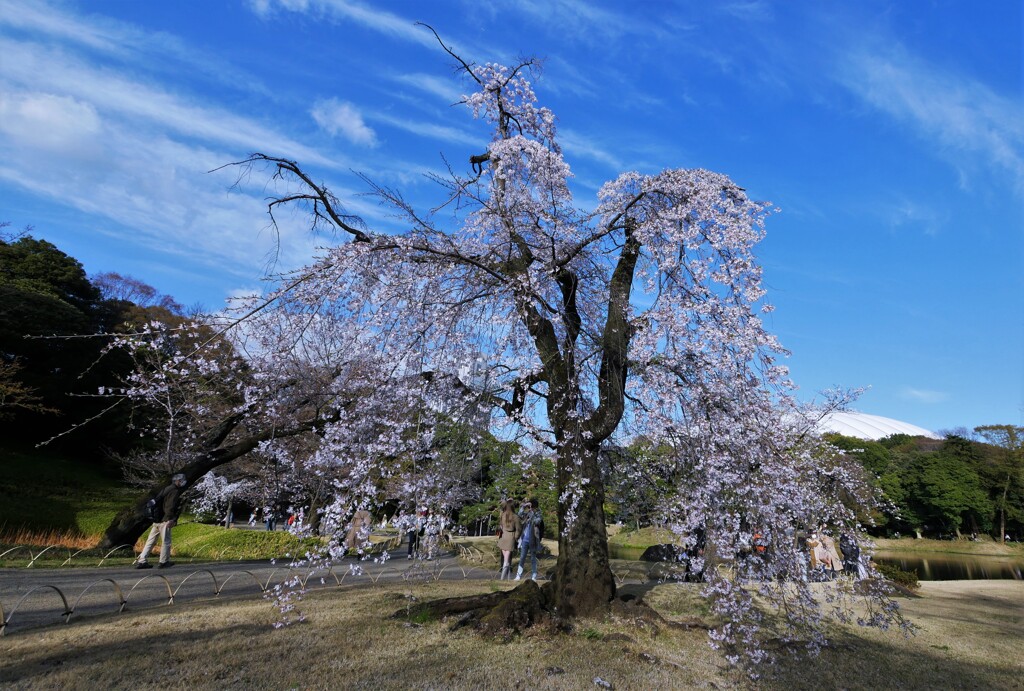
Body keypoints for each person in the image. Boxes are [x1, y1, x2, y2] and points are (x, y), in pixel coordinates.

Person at [135, 473, 188, 569]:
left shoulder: (166, 489)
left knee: (150, 541)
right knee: (166, 541)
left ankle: (142, 561)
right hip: (165, 520)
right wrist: (170, 519)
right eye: (181, 480)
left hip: (156, 519)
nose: (183, 482)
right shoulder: (174, 491)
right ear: (177, 481)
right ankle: (163, 561)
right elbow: (170, 506)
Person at [515, 498, 543, 581]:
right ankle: (518, 575)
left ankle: (534, 576)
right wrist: (524, 506)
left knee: (533, 558)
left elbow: (537, 522)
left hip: (533, 539)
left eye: (531, 506)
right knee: (522, 557)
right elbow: (519, 514)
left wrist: (533, 513)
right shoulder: (527, 513)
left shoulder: (538, 514)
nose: (529, 507)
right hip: (524, 539)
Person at [496, 500, 522, 580]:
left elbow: (500, 525)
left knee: (506, 559)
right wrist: (516, 537)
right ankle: (502, 579)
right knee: (506, 561)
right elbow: (519, 529)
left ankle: (508, 577)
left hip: (503, 537)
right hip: (510, 537)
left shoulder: (503, 515)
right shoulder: (515, 517)